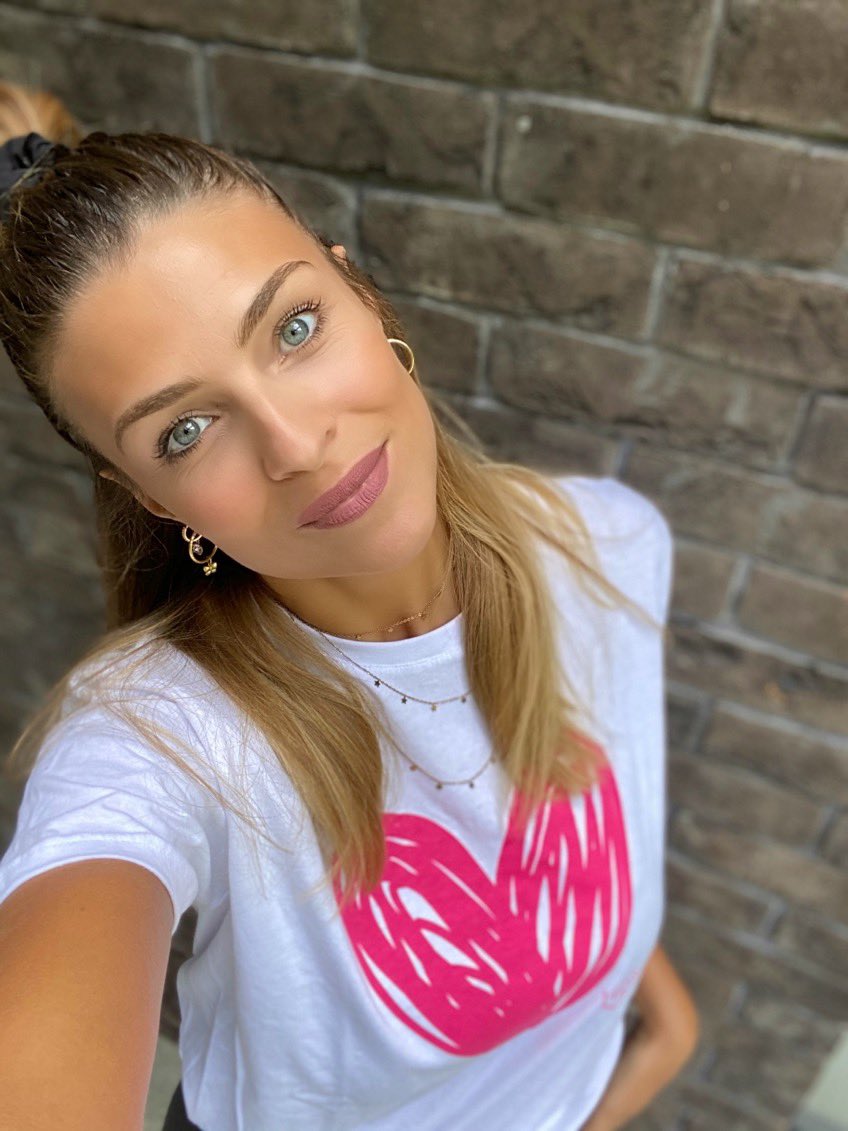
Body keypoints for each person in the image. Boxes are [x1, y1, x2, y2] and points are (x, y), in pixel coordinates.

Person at [0, 80, 699, 1131]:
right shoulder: (159, 740)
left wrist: (657, 1028)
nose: (295, 444)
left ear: (357, 288)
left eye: (294, 327)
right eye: (184, 431)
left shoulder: (608, 549)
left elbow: (568, 837)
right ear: (151, 496)